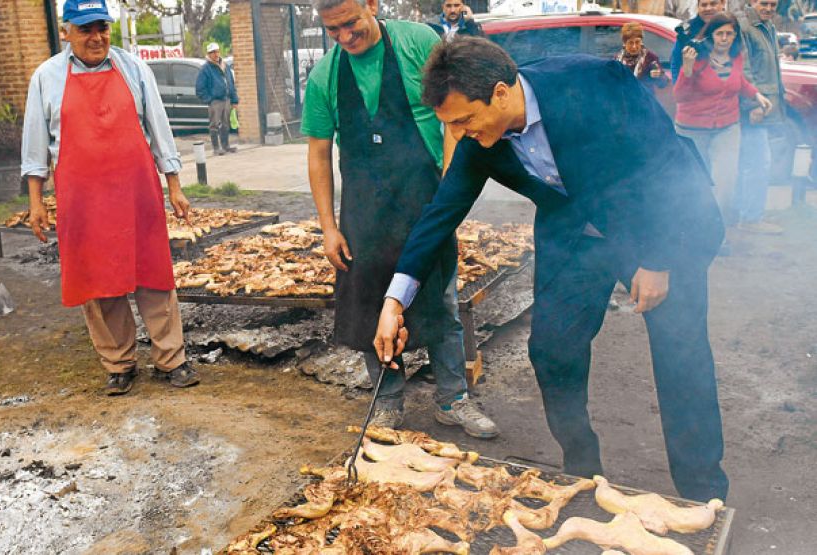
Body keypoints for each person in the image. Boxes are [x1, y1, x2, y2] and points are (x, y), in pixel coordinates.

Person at [373, 37, 729, 502]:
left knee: (681, 356)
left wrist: (658, 260)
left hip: (659, 228)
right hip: (575, 238)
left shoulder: (595, 82)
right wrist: (394, 300)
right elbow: (440, 213)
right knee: (552, 351)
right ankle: (582, 469)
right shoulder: (482, 138)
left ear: (500, 93)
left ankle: (703, 492)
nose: (459, 133)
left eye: (463, 120)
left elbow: (666, 163)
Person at [302, 0, 498, 437]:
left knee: (441, 304)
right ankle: (387, 400)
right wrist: (328, 227)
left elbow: (452, 119)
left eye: (352, 24)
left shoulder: (419, 43)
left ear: (372, 5)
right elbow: (317, 152)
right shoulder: (324, 75)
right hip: (364, 212)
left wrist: (451, 186)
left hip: (424, 200)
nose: (345, 38)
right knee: (372, 304)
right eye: (333, 31)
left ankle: (453, 399)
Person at [21, 0, 200, 395]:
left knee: (153, 273)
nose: (96, 37)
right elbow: (34, 147)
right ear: (66, 31)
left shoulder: (134, 68)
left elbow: (159, 127)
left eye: (102, 27)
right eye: (86, 29)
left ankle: (172, 359)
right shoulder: (46, 77)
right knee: (98, 281)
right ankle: (119, 364)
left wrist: (174, 184)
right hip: (81, 198)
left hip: (137, 190)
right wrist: (36, 202)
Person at [675, 13, 772, 226]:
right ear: (711, 35)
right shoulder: (697, 57)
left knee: (725, 181)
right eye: (720, 33)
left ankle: (715, 230)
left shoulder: (737, 56)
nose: (725, 38)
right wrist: (687, 70)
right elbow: (680, 97)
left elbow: (739, 81)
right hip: (692, 128)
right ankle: (692, 230)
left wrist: (756, 95)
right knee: (695, 183)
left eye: (730, 33)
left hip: (728, 126)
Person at [735, 0, 786, 234]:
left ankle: (746, 215)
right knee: (757, 162)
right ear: (752, 2)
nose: (768, 8)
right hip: (755, 107)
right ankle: (750, 219)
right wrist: (752, 105)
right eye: (763, 3)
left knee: (753, 162)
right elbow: (744, 71)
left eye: (773, 4)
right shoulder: (746, 27)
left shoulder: (768, 26)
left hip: (765, 106)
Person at [196, 42, 239, 155]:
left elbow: (231, 83)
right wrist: (209, 100)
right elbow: (200, 88)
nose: (215, 54)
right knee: (214, 124)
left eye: (217, 51)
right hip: (215, 101)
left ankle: (226, 146)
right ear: (208, 54)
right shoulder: (205, 69)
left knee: (226, 124)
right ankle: (216, 148)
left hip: (227, 99)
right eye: (212, 52)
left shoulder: (225, 66)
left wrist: (234, 100)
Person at [671, 0, 726, 83]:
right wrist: (679, 90)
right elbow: (675, 63)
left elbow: (746, 65)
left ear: (723, 3)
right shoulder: (686, 32)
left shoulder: (733, 27)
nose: (708, 8)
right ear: (698, 7)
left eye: (713, 4)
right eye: (704, 5)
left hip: (728, 91)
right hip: (696, 92)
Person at [614, 22, 667, 89]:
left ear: (641, 41)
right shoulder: (617, 60)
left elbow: (663, 84)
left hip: (644, 98)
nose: (634, 46)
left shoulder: (650, 58)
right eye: (630, 43)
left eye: (637, 42)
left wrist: (659, 76)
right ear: (624, 43)